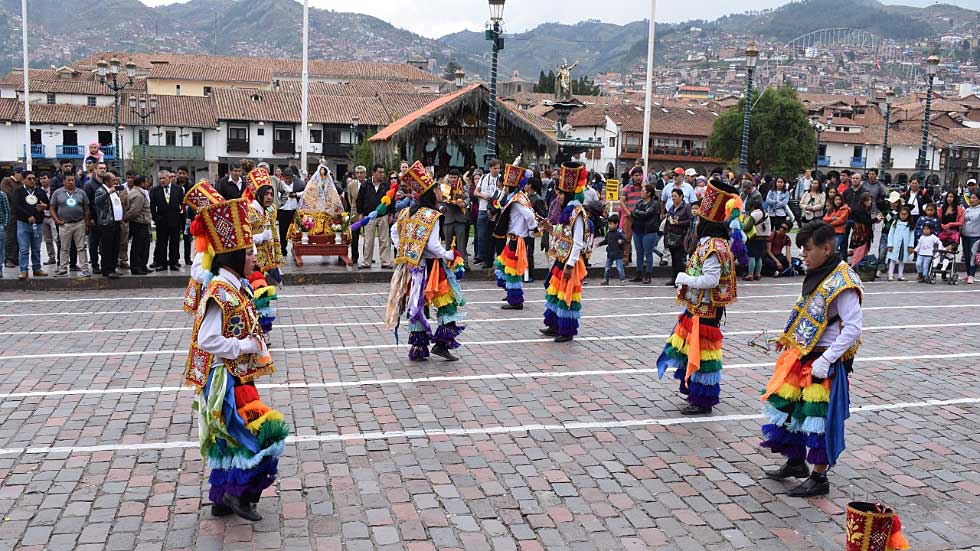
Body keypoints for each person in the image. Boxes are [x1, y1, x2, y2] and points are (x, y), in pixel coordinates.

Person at [184, 197, 287, 522]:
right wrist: (245, 344)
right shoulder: (221, 292)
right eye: (250, 252)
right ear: (233, 256)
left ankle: (223, 499)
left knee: (228, 438)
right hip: (226, 379)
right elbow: (208, 339)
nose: (254, 256)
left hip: (236, 375)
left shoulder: (234, 287)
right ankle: (241, 495)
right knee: (257, 435)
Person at [760, 220, 864, 497]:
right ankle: (796, 462)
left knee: (818, 419)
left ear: (827, 248)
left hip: (822, 362)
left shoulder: (843, 281)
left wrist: (827, 359)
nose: (803, 255)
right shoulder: (819, 273)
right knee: (792, 411)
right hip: (804, 355)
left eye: (807, 249)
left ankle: (819, 478)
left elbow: (853, 328)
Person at [656, 179, 740, 415]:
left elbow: (710, 280)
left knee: (703, 355)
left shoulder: (714, 246)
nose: (696, 224)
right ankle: (696, 393)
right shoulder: (712, 243)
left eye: (699, 221)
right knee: (694, 350)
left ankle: (703, 400)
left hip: (707, 309)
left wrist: (684, 278)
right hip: (698, 307)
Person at [386, 161, 466, 362]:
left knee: (418, 304)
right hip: (432, 268)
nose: (441, 192)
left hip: (413, 267)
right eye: (438, 189)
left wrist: (404, 249)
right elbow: (433, 247)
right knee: (447, 304)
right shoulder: (431, 215)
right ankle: (441, 344)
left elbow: (394, 232)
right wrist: (450, 254)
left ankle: (418, 348)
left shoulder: (407, 213)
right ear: (432, 194)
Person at [540, 162, 592, 343]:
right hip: (562, 258)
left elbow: (577, 241)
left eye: (561, 192)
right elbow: (565, 234)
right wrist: (551, 228)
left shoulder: (576, 213)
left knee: (567, 294)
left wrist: (571, 264)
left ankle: (567, 330)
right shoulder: (568, 211)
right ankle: (554, 325)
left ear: (569, 193)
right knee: (555, 292)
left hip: (569, 261)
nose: (558, 195)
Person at [493, 164, 538, 309]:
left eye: (506, 185)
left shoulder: (517, 200)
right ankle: (511, 292)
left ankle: (516, 300)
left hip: (517, 239)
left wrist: (532, 232)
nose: (505, 188)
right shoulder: (518, 198)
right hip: (513, 238)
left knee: (512, 271)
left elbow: (530, 216)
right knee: (503, 266)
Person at [50, 174, 91, 277]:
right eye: (68, 180)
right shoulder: (57, 193)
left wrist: (87, 224)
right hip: (64, 224)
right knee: (64, 248)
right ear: (64, 181)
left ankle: (84, 268)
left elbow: (86, 209)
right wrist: (56, 220)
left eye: (73, 180)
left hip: (79, 223)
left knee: (81, 247)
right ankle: (63, 268)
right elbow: (52, 208)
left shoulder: (81, 192)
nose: (71, 182)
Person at [12, 171, 49, 279]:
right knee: (24, 248)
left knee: (36, 247)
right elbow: (16, 206)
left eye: (34, 178)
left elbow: (48, 203)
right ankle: (24, 270)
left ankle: (37, 268)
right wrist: (28, 215)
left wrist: (44, 206)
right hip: (23, 223)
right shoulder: (19, 191)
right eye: (29, 179)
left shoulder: (39, 191)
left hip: (38, 223)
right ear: (24, 180)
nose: (32, 180)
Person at [356, 164, 394, 269]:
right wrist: (360, 214)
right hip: (369, 216)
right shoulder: (365, 184)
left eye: (383, 172)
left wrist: (391, 214)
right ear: (373, 173)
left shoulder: (386, 185)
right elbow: (359, 200)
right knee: (368, 240)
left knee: (384, 240)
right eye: (380, 172)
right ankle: (366, 262)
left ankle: (385, 261)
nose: (382, 174)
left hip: (383, 215)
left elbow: (392, 200)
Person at [150, 170, 184, 271]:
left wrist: (181, 218)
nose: (161, 180)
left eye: (163, 178)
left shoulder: (178, 189)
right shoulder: (155, 190)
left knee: (174, 243)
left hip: (175, 221)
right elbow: (152, 206)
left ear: (169, 178)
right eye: (160, 179)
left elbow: (182, 204)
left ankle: (173, 263)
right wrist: (155, 218)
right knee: (162, 243)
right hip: (162, 221)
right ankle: (162, 263)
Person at [93, 170, 124, 279]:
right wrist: (108, 193)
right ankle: (106, 269)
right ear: (107, 181)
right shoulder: (101, 190)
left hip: (116, 222)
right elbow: (97, 202)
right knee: (107, 247)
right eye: (113, 180)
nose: (115, 182)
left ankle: (113, 267)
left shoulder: (114, 190)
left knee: (115, 247)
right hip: (106, 223)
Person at [630, 183, 663, 284]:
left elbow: (647, 214)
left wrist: (637, 212)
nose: (641, 193)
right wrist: (638, 213)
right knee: (639, 253)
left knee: (648, 253)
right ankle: (639, 273)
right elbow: (632, 213)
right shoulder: (639, 202)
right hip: (637, 230)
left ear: (649, 193)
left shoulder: (654, 203)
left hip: (649, 231)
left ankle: (648, 274)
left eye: (643, 191)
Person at [474, 160, 502, 267]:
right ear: (490, 168)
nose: (497, 170)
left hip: (496, 210)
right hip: (483, 208)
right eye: (495, 168)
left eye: (498, 168)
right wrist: (482, 195)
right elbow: (475, 192)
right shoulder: (484, 178)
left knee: (495, 236)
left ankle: (495, 258)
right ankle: (484, 258)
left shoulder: (500, 178)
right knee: (482, 235)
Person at [441, 169, 470, 269]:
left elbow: (468, 199)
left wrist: (463, 204)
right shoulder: (443, 187)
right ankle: (449, 264)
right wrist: (441, 208)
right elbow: (439, 201)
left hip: (460, 218)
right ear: (448, 177)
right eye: (451, 177)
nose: (452, 179)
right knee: (448, 243)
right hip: (448, 217)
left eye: (455, 177)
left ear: (458, 177)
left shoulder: (463, 187)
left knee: (461, 243)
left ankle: (464, 264)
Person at [664, 188, 693, 286]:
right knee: (673, 259)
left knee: (679, 259)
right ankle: (674, 278)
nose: (673, 198)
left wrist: (679, 223)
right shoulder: (672, 208)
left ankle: (681, 280)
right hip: (672, 236)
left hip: (682, 237)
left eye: (675, 196)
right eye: (672, 196)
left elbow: (690, 220)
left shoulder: (687, 207)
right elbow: (667, 222)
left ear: (681, 197)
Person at [620, 167, 646, 265]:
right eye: (636, 175)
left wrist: (644, 187)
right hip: (629, 216)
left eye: (640, 175)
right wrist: (627, 212)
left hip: (641, 217)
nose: (638, 177)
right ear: (632, 176)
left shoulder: (644, 188)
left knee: (642, 238)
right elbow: (622, 202)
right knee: (627, 238)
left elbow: (649, 199)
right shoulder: (627, 187)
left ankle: (641, 259)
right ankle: (625, 258)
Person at [127, 175, 152, 276]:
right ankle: (136, 267)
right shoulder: (138, 195)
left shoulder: (140, 192)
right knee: (138, 246)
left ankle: (142, 265)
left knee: (144, 246)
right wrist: (126, 219)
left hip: (143, 222)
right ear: (141, 183)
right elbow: (134, 211)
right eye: (146, 182)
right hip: (139, 223)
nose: (147, 184)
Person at [875, 191, 903, 276]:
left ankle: (890, 269)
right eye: (892, 202)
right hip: (885, 233)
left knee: (893, 253)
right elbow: (878, 203)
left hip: (895, 234)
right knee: (882, 252)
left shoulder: (900, 212)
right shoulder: (885, 210)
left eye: (896, 202)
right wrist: (886, 200)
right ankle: (880, 269)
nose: (894, 204)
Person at [742, 199, 770, 282]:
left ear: (752, 206)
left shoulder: (754, 214)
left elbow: (748, 226)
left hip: (754, 237)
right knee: (759, 257)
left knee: (751, 256)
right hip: (764, 238)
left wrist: (742, 226)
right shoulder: (766, 214)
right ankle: (758, 274)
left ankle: (750, 274)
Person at [277, 169, 302, 258]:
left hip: (293, 210)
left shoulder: (298, 184)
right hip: (283, 210)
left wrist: (296, 195)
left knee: (295, 230)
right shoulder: (279, 185)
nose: (287, 180)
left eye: (289, 178)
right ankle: (283, 249)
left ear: (292, 178)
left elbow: (305, 192)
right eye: (286, 178)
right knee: (283, 231)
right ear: (283, 178)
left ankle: (296, 248)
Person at [886, 206, 914, 282]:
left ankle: (900, 275)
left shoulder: (910, 224)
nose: (903, 216)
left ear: (908, 215)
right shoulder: (895, 223)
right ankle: (890, 274)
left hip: (904, 245)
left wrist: (910, 246)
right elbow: (890, 234)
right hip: (895, 244)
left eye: (905, 214)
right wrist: (890, 244)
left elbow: (912, 236)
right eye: (902, 214)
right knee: (892, 259)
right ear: (899, 214)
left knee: (902, 260)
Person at [344, 166, 366, 266]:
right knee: (355, 237)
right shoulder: (351, 185)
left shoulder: (368, 183)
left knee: (368, 237)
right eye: (357, 173)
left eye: (361, 173)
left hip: (366, 214)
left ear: (365, 174)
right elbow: (349, 199)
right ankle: (354, 257)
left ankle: (367, 257)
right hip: (355, 213)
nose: (359, 175)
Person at [598, 213, 626, 284]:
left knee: (619, 268)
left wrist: (621, 241)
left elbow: (624, 239)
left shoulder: (620, 232)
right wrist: (599, 244)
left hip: (618, 254)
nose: (609, 225)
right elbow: (606, 241)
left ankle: (622, 280)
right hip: (610, 253)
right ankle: (606, 279)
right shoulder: (609, 232)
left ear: (616, 224)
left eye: (611, 224)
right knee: (607, 268)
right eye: (609, 224)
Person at [848, 193, 874, 267]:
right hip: (860, 236)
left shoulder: (866, 209)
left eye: (870, 200)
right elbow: (866, 222)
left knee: (863, 253)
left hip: (865, 236)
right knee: (858, 254)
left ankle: (858, 271)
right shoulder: (860, 209)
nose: (869, 202)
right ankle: (853, 270)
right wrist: (876, 219)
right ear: (863, 201)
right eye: (867, 200)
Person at [961, 192, 980, 284]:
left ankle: (972, 275)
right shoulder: (967, 210)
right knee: (967, 256)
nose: (971, 200)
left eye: (974, 198)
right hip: (965, 235)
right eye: (970, 198)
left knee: (973, 256)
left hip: (975, 236)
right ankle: (968, 274)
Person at [0, 181, 7, 277]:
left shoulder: (2, 195)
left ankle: (0, 269)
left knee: (0, 249)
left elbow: (6, 211)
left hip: (0, 225)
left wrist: (5, 224)